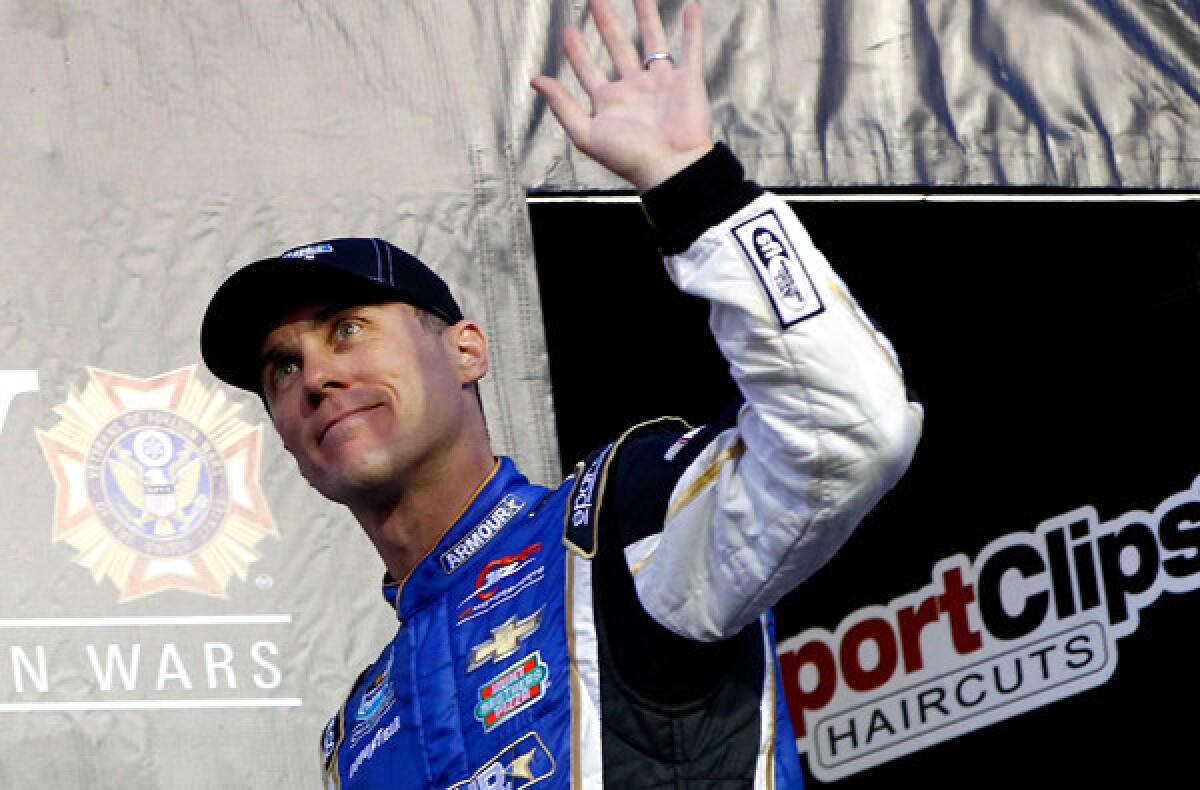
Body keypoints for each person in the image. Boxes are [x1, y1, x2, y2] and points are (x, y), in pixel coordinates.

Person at [200, 0, 921, 786]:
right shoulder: (358, 732)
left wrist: (695, 189)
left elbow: (849, 432)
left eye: (346, 329)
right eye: (282, 367)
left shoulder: (620, 525)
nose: (317, 377)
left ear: (466, 349)